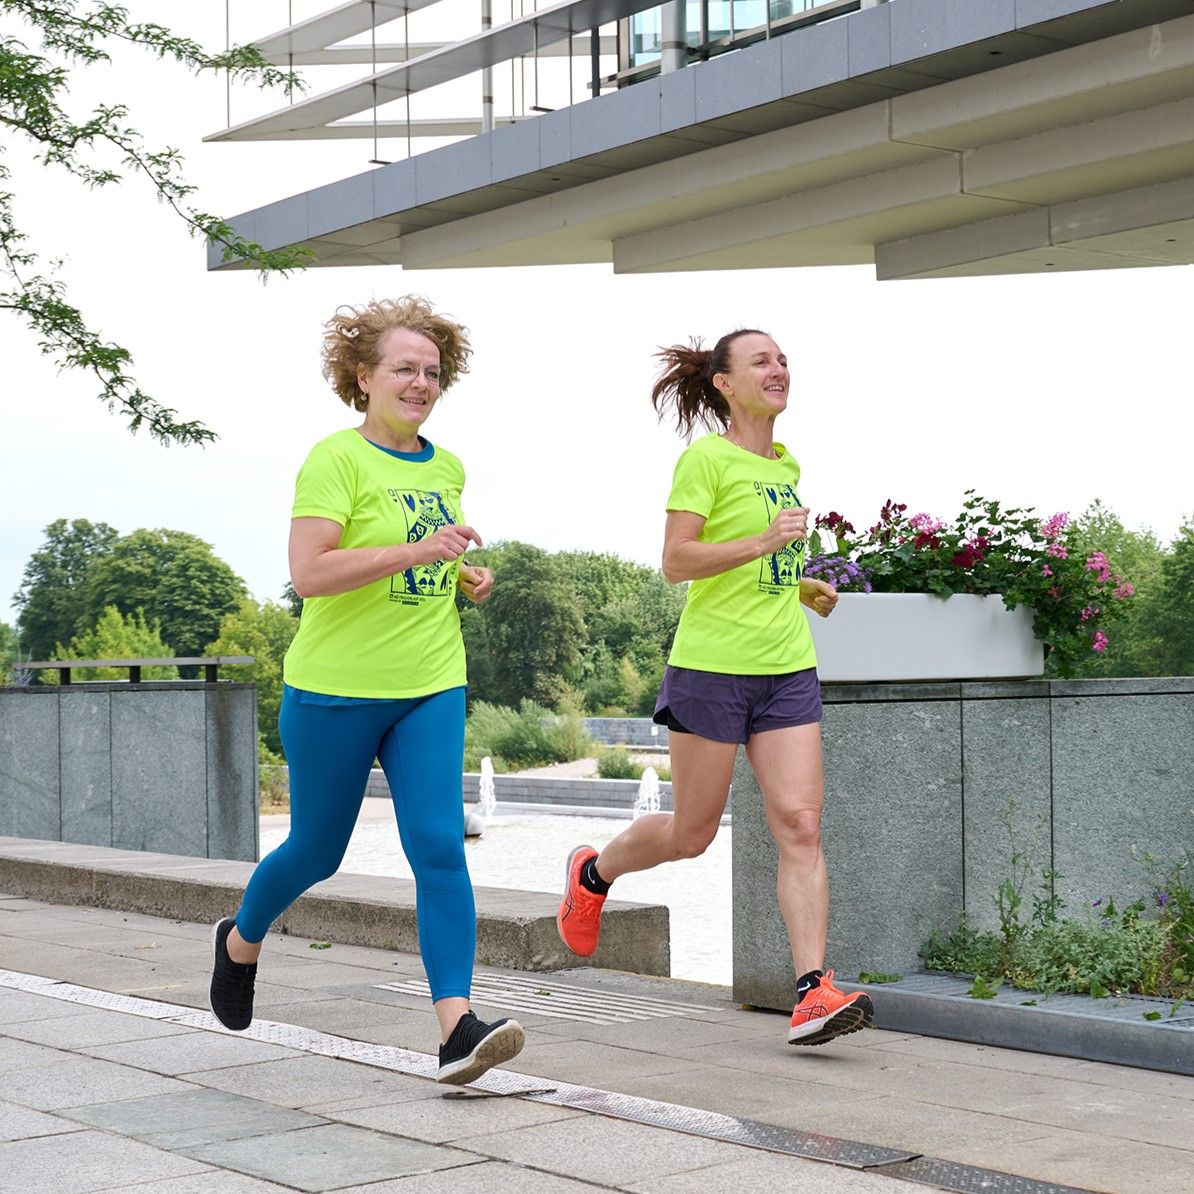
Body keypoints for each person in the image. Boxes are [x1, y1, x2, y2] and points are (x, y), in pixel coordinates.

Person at [209, 296, 524, 1084]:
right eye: (404, 369)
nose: (421, 382)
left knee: (440, 846)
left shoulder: (445, 465)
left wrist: (461, 572)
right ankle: (240, 939)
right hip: (335, 689)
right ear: (363, 376)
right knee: (315, 850)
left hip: (429, 682)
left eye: (431, 371)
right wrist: (420, 550)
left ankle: (456, 1027)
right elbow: (311, 573)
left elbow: (427, 558)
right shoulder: (334, 460)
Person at [556, 329, 873, 1047]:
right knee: (691, 833)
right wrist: (765, 544)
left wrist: (798, 583)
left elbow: (754, 569)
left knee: (801, 823)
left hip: (786, 667)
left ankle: (812, 992)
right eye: (762, 360)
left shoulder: (786, 464)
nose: (779, 369)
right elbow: (678, 561)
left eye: (785, 358)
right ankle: (594, 874)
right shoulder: (704, 458)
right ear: (725, 383)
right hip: (712, 670)